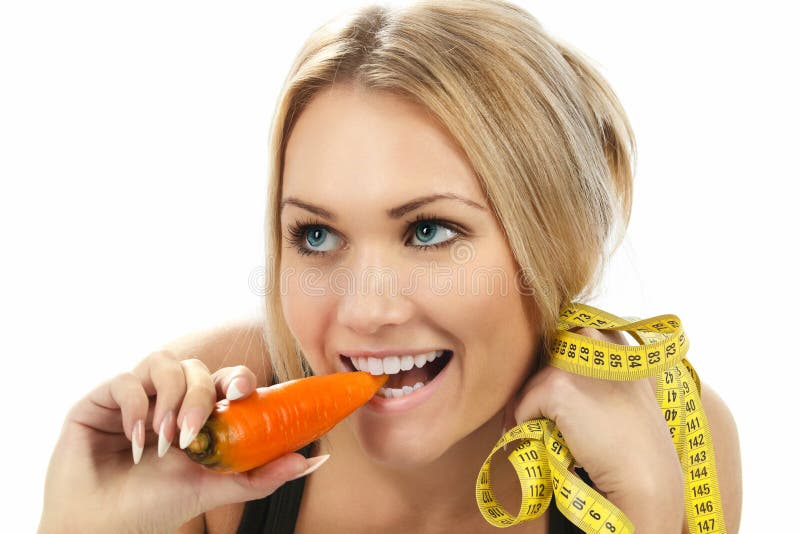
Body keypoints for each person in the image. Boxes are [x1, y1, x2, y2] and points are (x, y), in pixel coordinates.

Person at [38, 1, 742, 532]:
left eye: (428, 230)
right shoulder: (202, 436)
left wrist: (648, 514)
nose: (365, 311)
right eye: (315, 235)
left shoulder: (675, 435)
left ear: (553, 243)